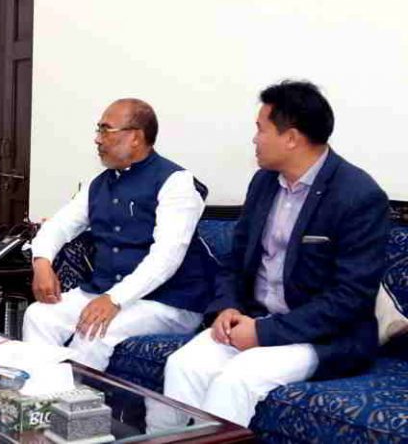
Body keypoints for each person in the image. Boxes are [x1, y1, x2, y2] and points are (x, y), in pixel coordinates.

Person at [148, 80, 388, 429]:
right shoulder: (263, 182)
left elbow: (350, 298)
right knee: (184, 365)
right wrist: (227, 307)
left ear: (290, 138)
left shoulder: (358, 196)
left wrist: (265, 334)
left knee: (237, 379)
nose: (254, 139)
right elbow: (235, 260)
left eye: (261, 129)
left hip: (321, 338)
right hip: (254, 320)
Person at [22, 98, 213, 371]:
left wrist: (115, 299)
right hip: (106, 291)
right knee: (39, 316)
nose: (97, 140)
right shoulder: (98, 183)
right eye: (98, 130)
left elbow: (167, 257)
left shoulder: (176, 182)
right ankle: (43, 401)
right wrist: (41, 262)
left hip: (167, 301)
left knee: (92, 332)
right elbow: (60, 225)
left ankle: (76, 409)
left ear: (135, 137)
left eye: (105, 130)